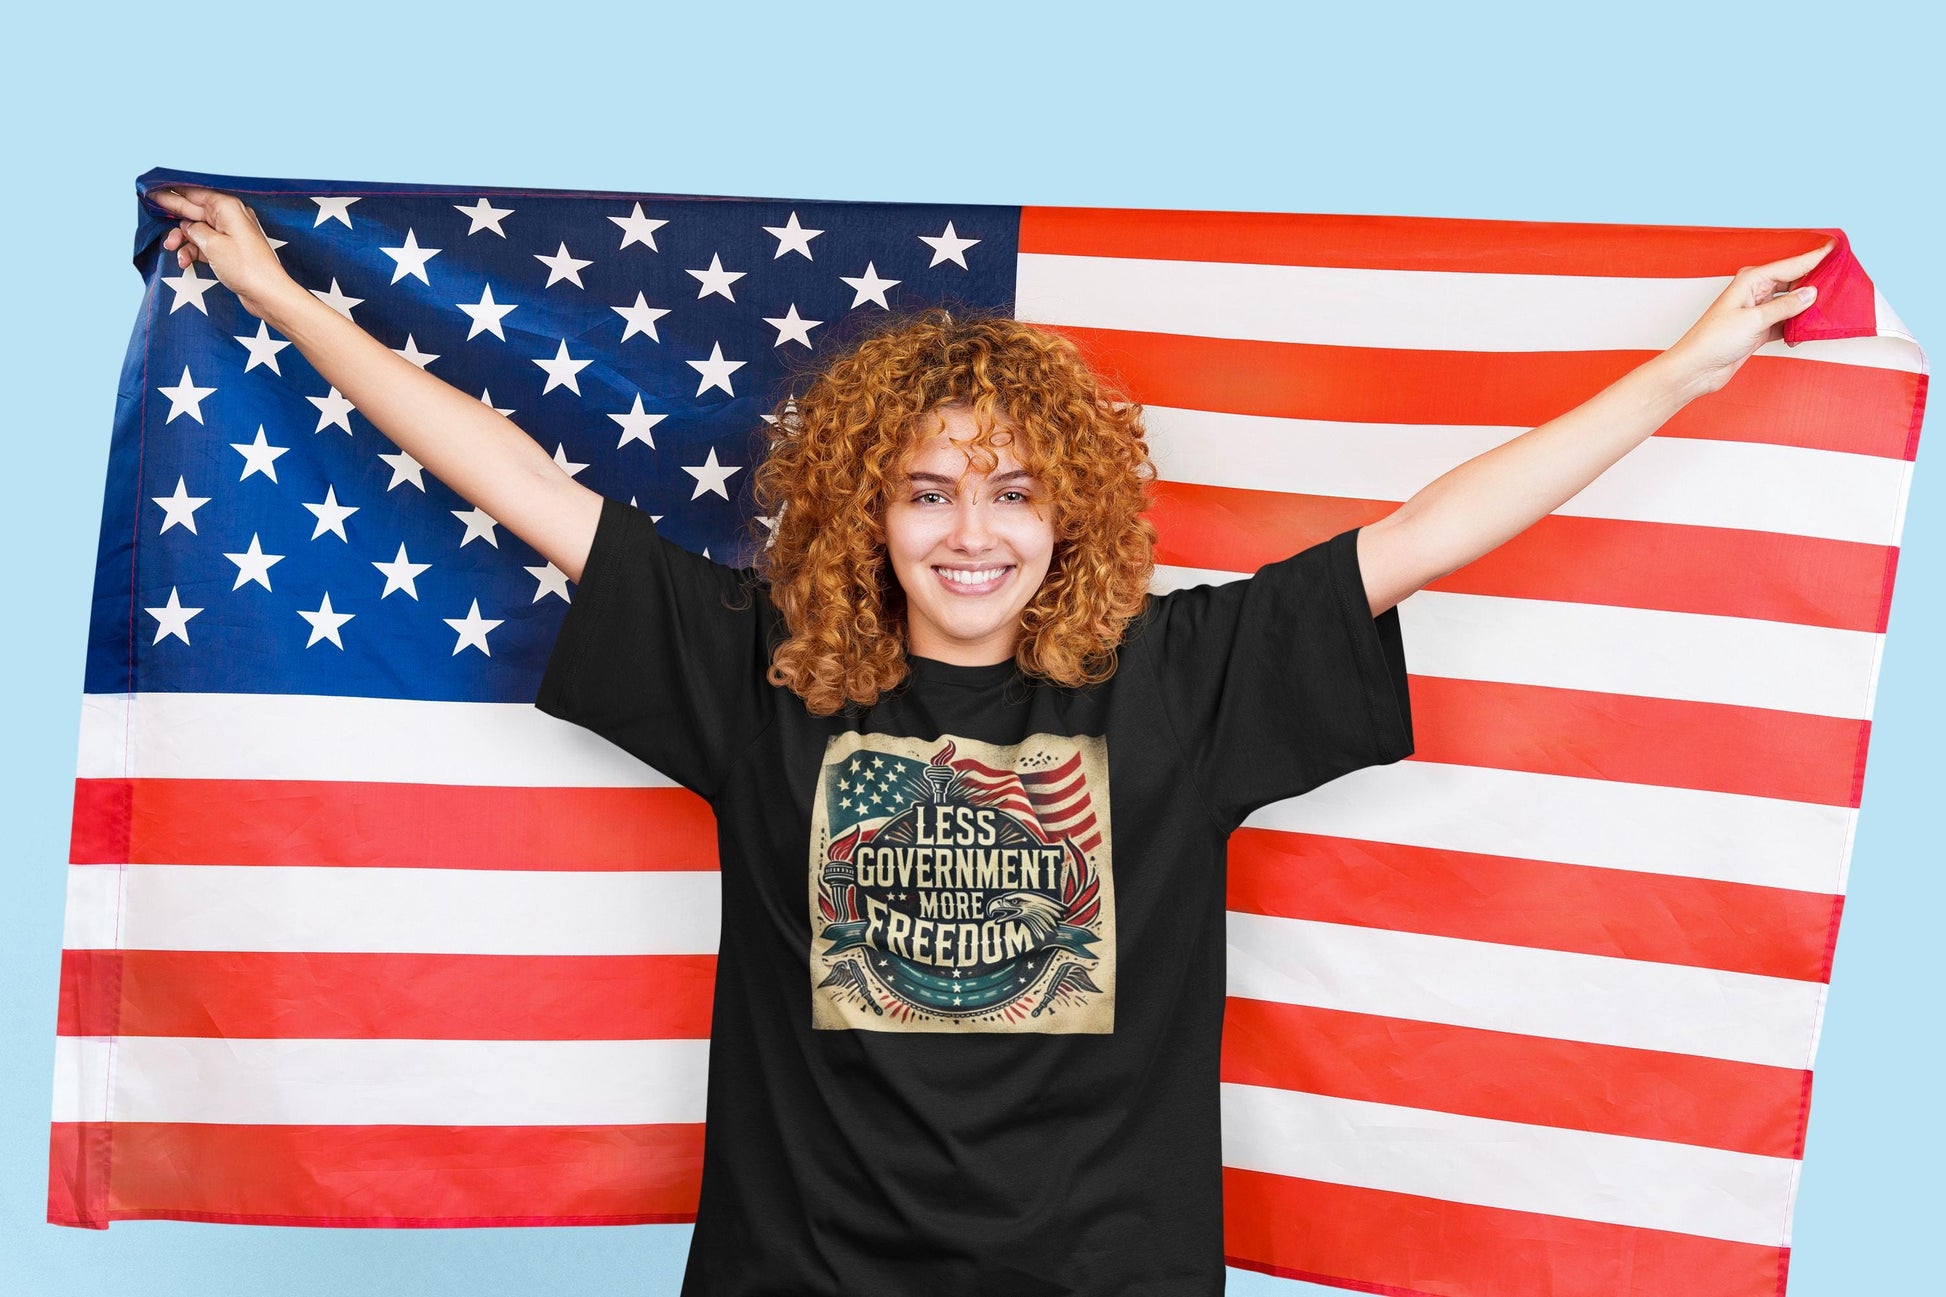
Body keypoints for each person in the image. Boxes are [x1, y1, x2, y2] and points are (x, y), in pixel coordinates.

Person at [151, 184, 1831, 1296]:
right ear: (868, 514)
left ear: (1069, 516)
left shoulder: (1185, 676)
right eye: (930, 489)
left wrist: (1680, 372)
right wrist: (281, 295)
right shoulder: (765, 672)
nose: (973, 530)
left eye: (1015, 492)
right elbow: (518, 482)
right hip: (796, 1277)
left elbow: (1443, 524)